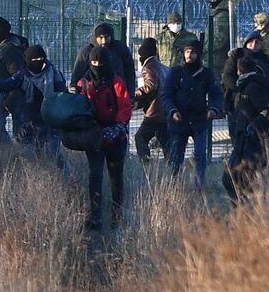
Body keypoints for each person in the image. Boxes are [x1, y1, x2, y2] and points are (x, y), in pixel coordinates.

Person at [75, 48, 132, 231]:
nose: (97, 66)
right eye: (94, 63)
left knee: (116, 178)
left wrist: (117, 127)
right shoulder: (83, 84)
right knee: (95, 176)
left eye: (101, 63)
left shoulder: (117, 82)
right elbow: (80, 109)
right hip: (94, 136)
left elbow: (125, 106)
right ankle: (95, 216)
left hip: (116, 137)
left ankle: (117, 215)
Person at [0, 44, 68, 169]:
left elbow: (62, 92)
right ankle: (34, 181)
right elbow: (6, 85)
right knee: (27, 157)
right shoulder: (22, 75)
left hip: (50, 121)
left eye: (41, 59)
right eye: (34, 59)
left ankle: (65, 179)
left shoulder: (53, 73)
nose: (38, 62)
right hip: (28, 122)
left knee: (53, 155)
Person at [160, 39, 223, 189]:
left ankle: (199, 185)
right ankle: (175, 185)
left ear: (198, 54)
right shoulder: (176, 72)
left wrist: (213, 109)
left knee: (200, 155)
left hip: (199, 119)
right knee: (176, 157)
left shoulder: (206, 74)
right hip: (178, 120)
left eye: (192, 52)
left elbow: (217, 95)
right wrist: (172, 110)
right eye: (187, 51)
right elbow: (166, 95)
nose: (189, 55)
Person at [223, 54, 269, 203]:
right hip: (243, 139)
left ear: (239, 72)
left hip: (251, 141)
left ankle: (245, 209)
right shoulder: (246, 86)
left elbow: (268, 111)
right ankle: (243, 208)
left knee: (236, 177)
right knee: (233, 177)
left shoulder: (252, 87)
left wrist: (252, 127)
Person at [0, 16, 27, 143]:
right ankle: (10, 152)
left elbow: (19, 76)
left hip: (16, 91)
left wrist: (11, 96)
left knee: (18, 128)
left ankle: (20, 155)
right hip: (6, 88)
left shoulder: (8, 49)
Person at [133, 38, 170, 166]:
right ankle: (173, 172)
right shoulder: (164, 68)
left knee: (140, 138)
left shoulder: (148, 68)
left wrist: (134, 94)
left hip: (153, 113)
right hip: (165, 112)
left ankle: (146, 165)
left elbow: (150, 87)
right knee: (167, 144)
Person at [71, 22, 137, 90]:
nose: (104, 41)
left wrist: (130, 93)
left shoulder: (120, 48)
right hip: (91, 93)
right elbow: (77, 73)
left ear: (111, 36)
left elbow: (129, 72)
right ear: (95, 38)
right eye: (101, 37)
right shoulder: (86, 52)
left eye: (106, 37)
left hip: (117, 92)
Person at [205, 0, 231, 79]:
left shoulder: (222, 16)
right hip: (213, 58)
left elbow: (220, 39)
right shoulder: (216, 14)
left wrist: (205, 48)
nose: (212, 2)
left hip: (217, 59)